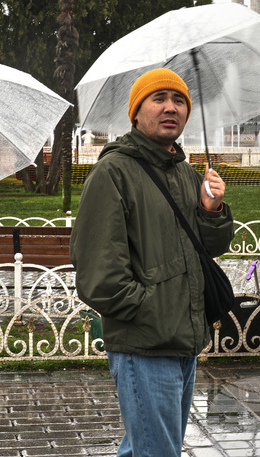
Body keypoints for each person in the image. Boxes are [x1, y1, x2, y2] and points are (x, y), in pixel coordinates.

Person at [70, 68, 234, 457]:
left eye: (178, 100)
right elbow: (98, 272)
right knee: (157, 450)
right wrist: (148, 308)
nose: (170, 108)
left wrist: (212, 209)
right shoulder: (114, 172)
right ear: (136, 111)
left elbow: (209, 247)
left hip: (183, 339)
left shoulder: (183, 171)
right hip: (145, 343)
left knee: (149, 447)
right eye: (158, 99)